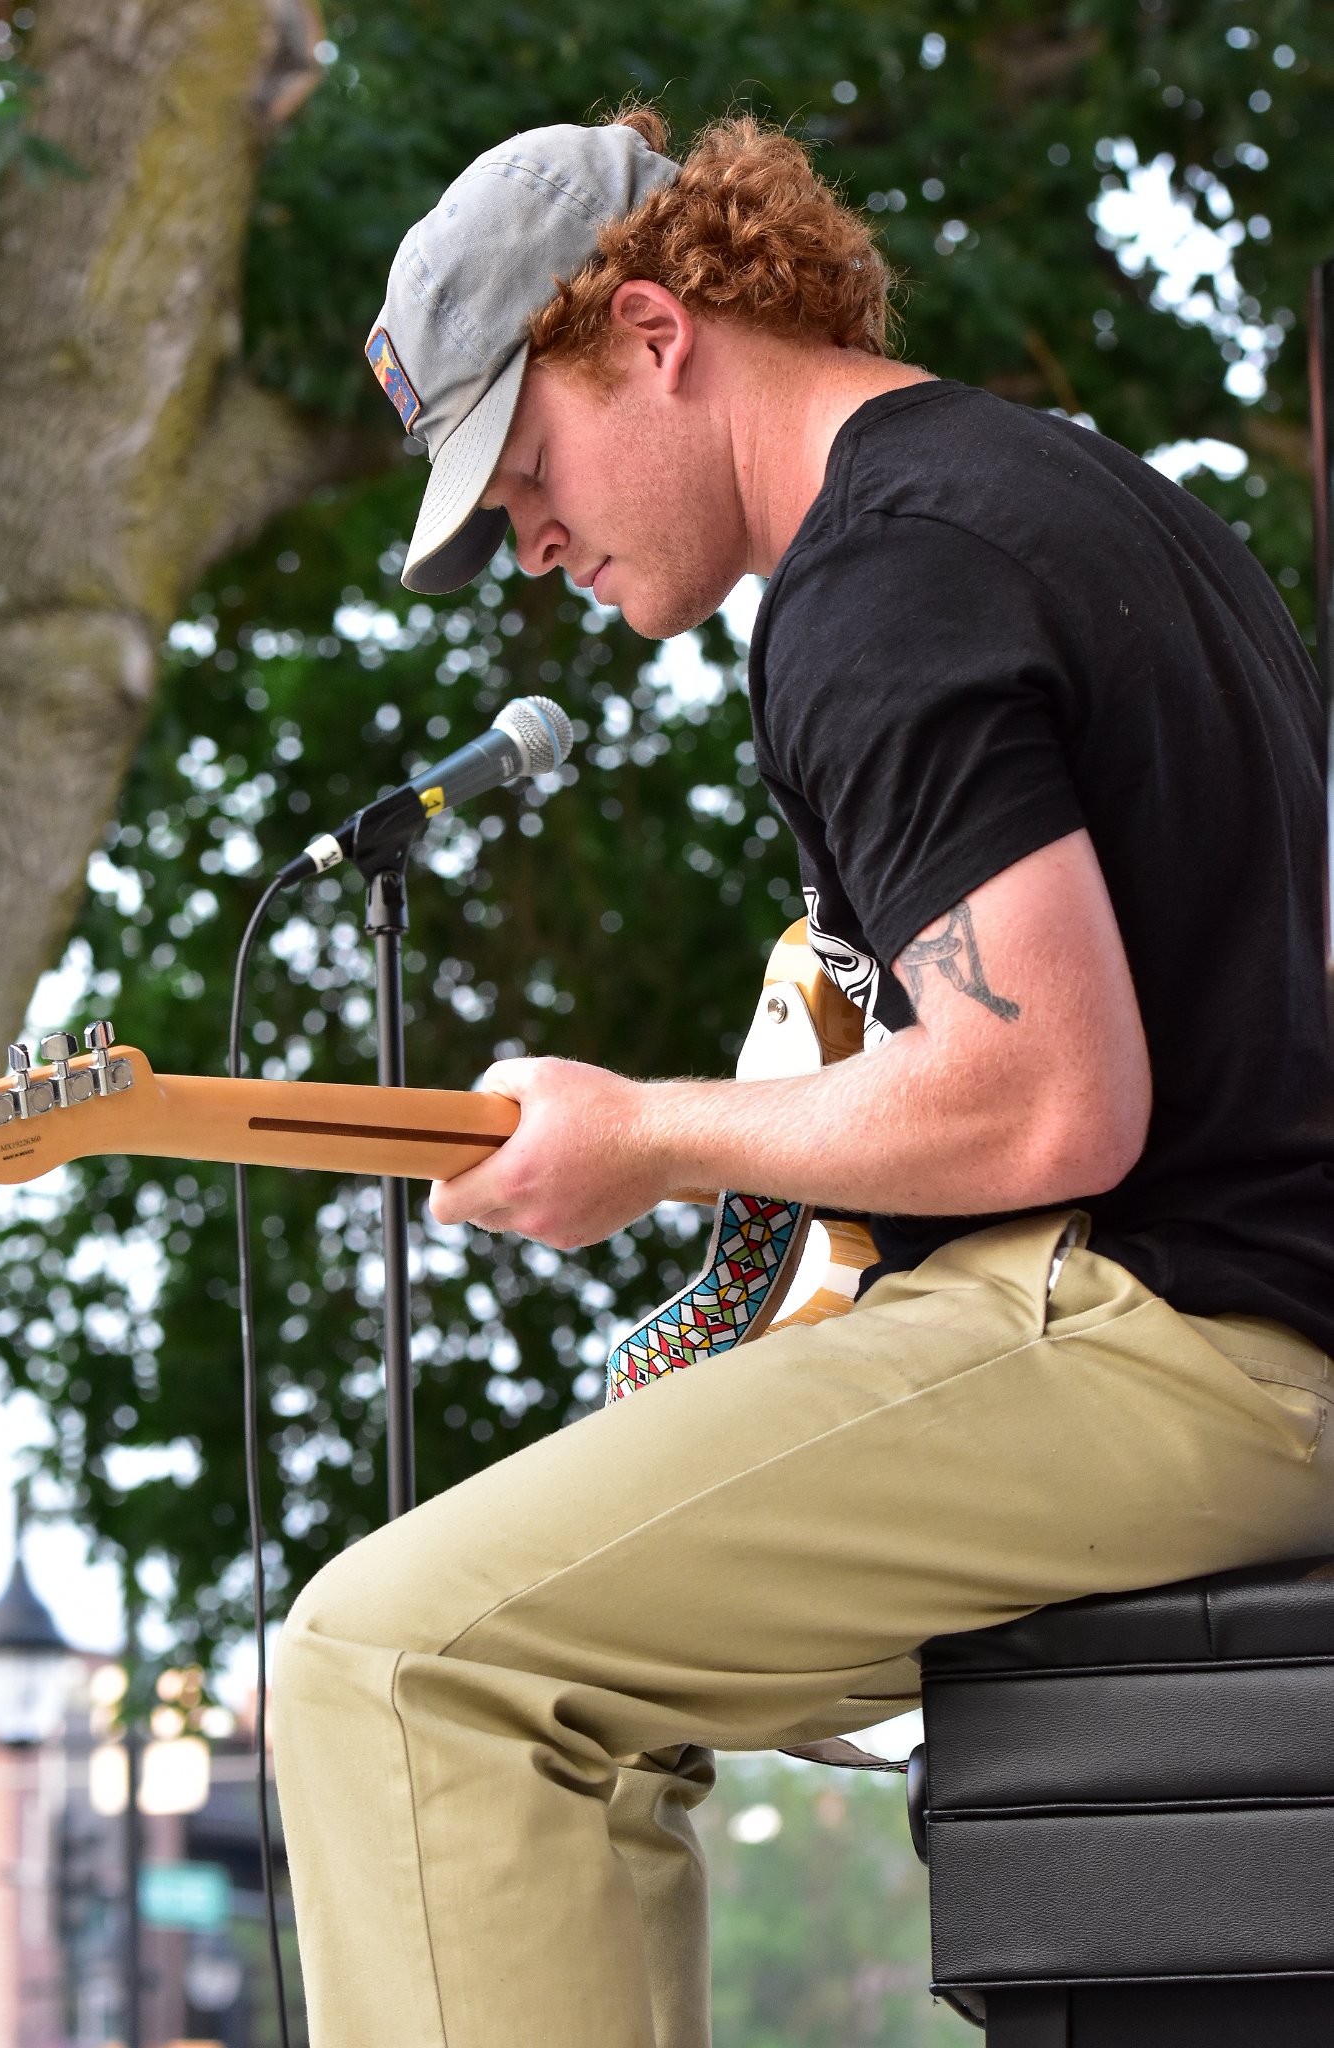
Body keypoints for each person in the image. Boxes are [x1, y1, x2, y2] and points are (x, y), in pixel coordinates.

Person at [272, 106, 1334, 2048]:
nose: (531, 545)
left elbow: (1042, 1106)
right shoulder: (1085, 496)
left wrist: (647, 1135)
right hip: (1256, 1324)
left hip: (1187, 1342)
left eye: (525, 468)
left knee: (395, 1654)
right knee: (549, 1650)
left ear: (654, 332)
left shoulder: (876, 582)